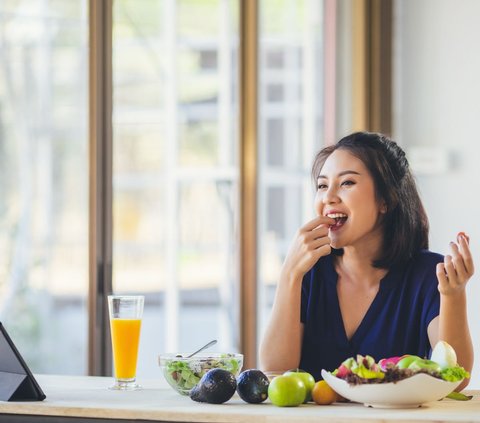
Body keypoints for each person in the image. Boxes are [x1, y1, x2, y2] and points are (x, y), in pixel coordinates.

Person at [259, 131, 474, 390]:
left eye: (347, 183)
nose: (328, 197)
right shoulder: (309, 271)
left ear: (386, 199)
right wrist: (289, 274)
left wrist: (454, 294)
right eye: (322, 185)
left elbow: (456, 380)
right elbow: (275, 372)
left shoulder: (428, 273)